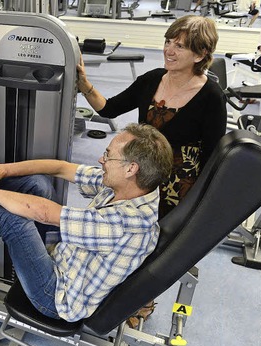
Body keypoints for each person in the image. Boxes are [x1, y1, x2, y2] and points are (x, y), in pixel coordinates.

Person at [0, 124, 173, 322]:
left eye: (108, 155)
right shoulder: (131, 186)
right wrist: (5, 170)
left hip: (56, 297)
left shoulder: (128, 223)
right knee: (38, 185)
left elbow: (44, 214)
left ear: (131, 168)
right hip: (66, 256)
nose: (101, 159)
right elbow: (61, 168)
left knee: (16, 222)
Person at [76, 15, 226, 326]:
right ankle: (103, 291)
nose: (169, 50)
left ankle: (142, 301)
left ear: (200, 54)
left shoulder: (211, 96)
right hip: (138, 175)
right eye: (169, 42)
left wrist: (202, 205)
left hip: (176, 186)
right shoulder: (152, 78)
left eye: (180, 46)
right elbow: (108, 108)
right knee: (118, 235)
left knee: (151, 249)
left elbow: (214, 157)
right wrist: (83, 83)